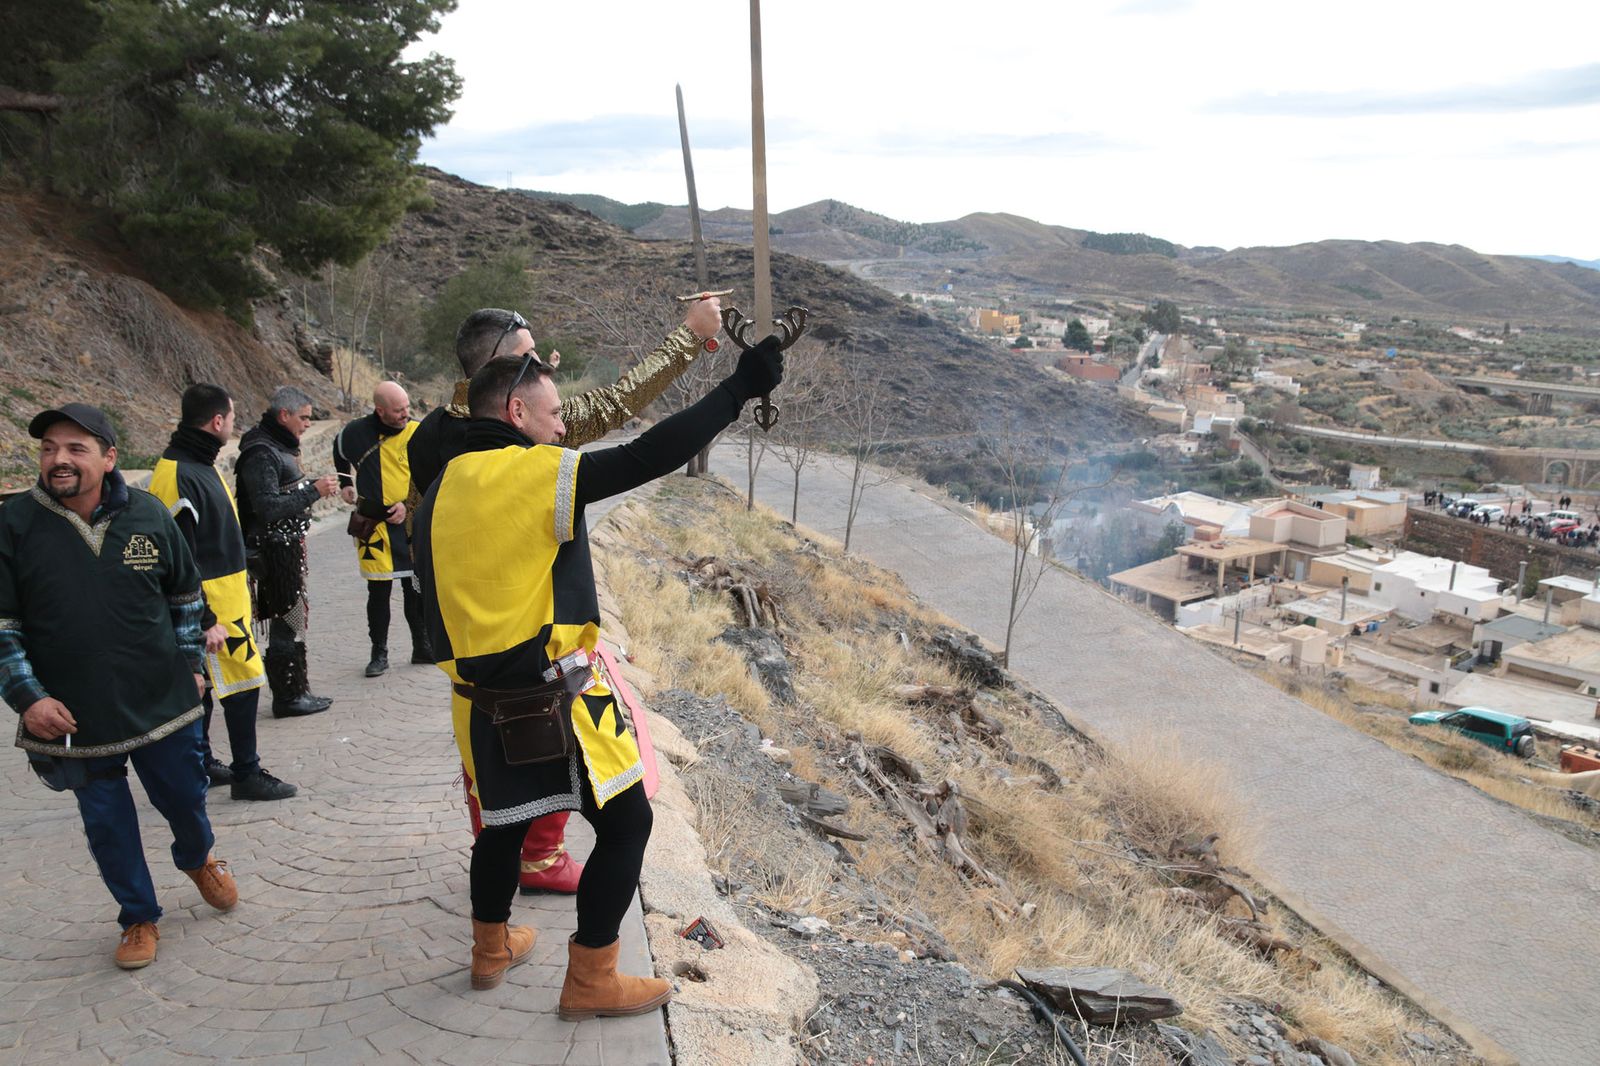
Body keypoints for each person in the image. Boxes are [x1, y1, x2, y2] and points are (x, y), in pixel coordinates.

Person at [413, 328, 782, 1007]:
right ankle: (592, 977)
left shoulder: (439, 487)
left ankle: (489, 949)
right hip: (554, 691)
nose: (562, 431)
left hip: (474, 699)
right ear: (516, 414)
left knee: (502, 824)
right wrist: (738, 390)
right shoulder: (529, 472)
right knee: (628, 824)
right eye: (555, 416)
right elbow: (649, 455)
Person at [411, 300, 723, 895]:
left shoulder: (429, 437)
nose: (540, 361)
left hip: (467, 651)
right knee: (606, 806)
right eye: (529, 357)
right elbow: (627, 420)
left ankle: (492, 937)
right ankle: (560, 898)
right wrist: (689, 339)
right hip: (538, 651)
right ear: (512, 391)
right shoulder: (525, 437)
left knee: (493, 796)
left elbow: (422, 531)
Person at [1, 404, 239, 970]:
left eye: (75, 448)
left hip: (163, 698)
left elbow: (184, 596)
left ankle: (197, 856)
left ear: (109, 458)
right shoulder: (13, 524)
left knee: (184, 795)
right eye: (49, 448)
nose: (58, 459)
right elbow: (2, 627)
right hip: (75, 714)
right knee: (106, 821)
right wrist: (29, 699)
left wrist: (191, 665)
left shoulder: (149, 515)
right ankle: (138, 915)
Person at [150, 384, 297, 800]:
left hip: (227, 598)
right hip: (212, 608)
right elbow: (176, 555)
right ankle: (247, 773)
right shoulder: (178, 474)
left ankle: (202, 761)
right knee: (244, 683)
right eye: (231, 418)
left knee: (215, 687)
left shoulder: (201, 463)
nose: (233, 425)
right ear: (217, 421)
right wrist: (205, 618)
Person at [235, 386, 340, 717]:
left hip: (286, 551)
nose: (308, 424)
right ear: (284, 415)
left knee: (293, 619)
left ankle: (296, 690)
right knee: (288, 619)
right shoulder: (261, 453)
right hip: (274, 555)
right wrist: (312, 492)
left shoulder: (274, 447)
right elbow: (266, 507)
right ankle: (287, 696)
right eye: (304, 418)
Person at [334, 382, 422, 677]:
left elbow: (431, 475)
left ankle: (421, 646)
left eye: (407, 407)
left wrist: (408, 506)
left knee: (415, 589)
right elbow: (339, 450)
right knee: (379, 591)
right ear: (380, 410)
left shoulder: (418, 433)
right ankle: (379, 652)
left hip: (409, 523)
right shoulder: (356, 433)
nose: (405, 414)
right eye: (398, 410)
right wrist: (346, 482)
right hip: (374, 526)